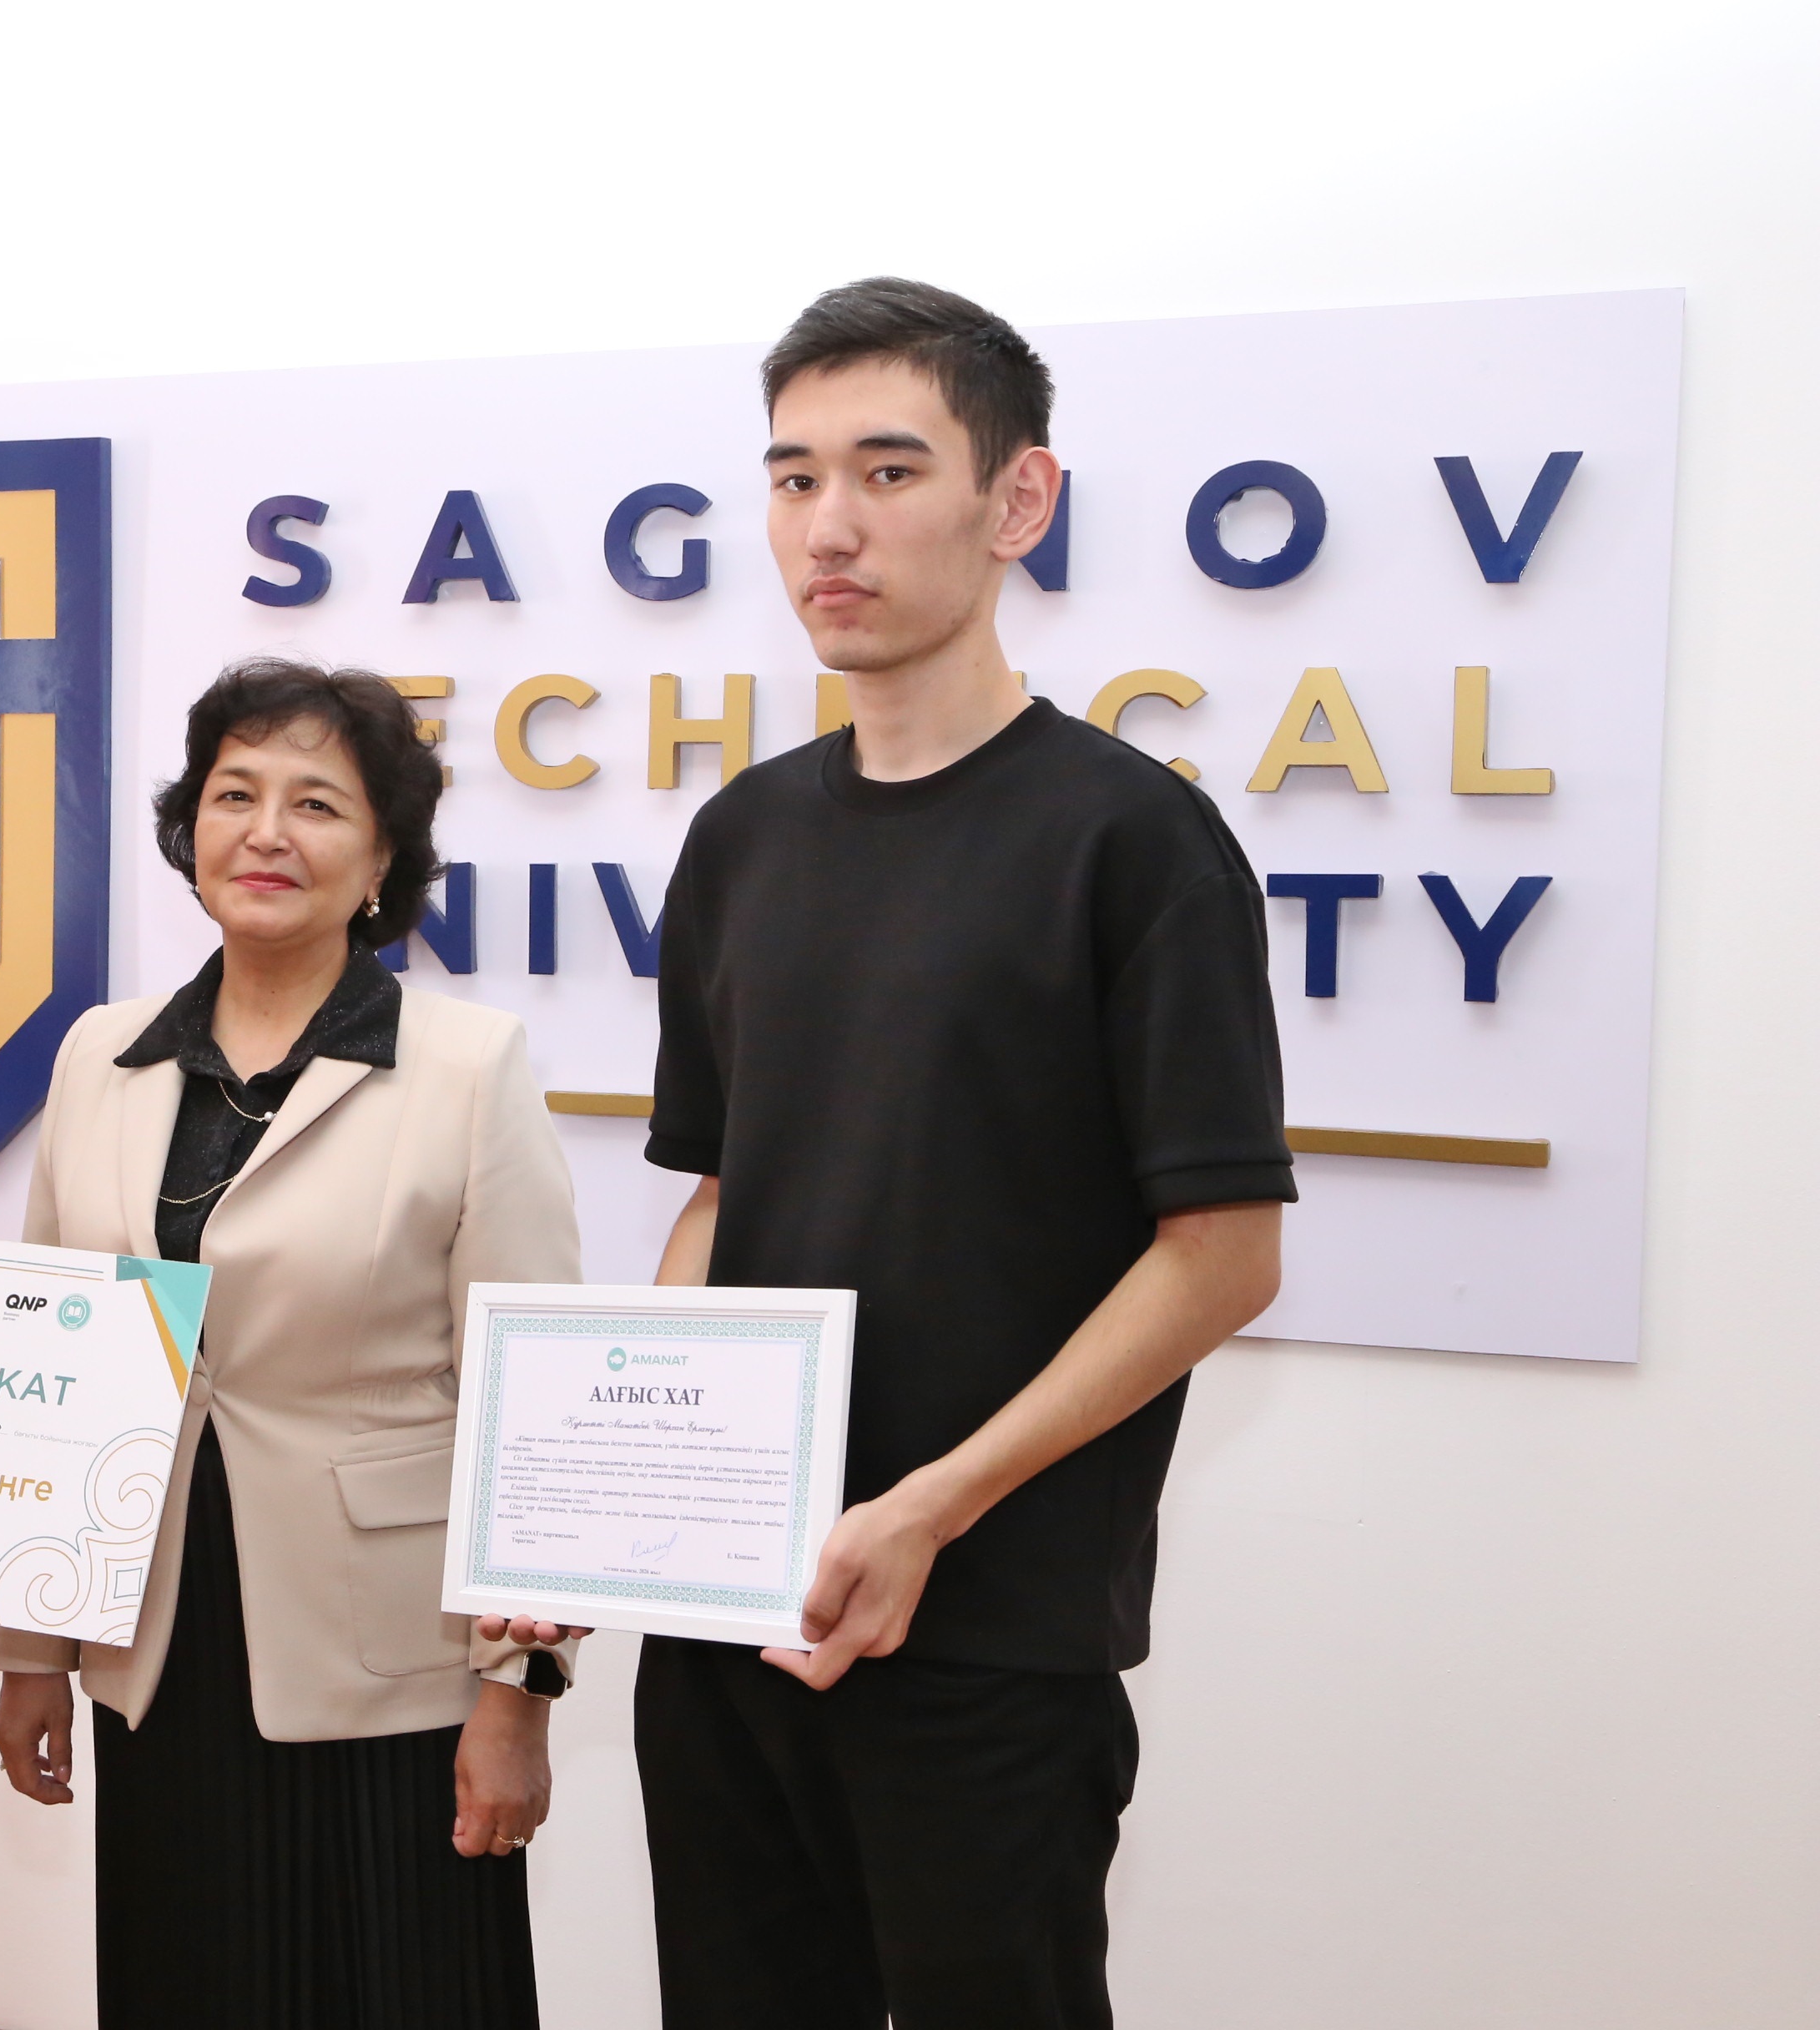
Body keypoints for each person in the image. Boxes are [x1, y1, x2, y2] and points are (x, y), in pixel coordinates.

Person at [634, 279, 1294, 2027]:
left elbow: (1223, 1254)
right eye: (792, 479)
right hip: (728, 1615)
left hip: (989, 1633)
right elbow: (719, 1194)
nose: (827, 528)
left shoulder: (1134, 841)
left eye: (886, 470)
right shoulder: (740, 837)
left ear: (1019, 501)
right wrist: (619, 1497)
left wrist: (933, 1505)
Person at [0, 659, 582, 2029]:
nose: (265, 831)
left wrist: (520, 1697)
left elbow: (530, 1411)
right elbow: (51, 1374)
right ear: (190, 828)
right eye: (233, 794)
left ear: (381, 859)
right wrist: (31, 1651)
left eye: (316, 803)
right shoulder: (99, 1055)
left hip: (394, 1660)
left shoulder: (467, 1064)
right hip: (160, 1643)